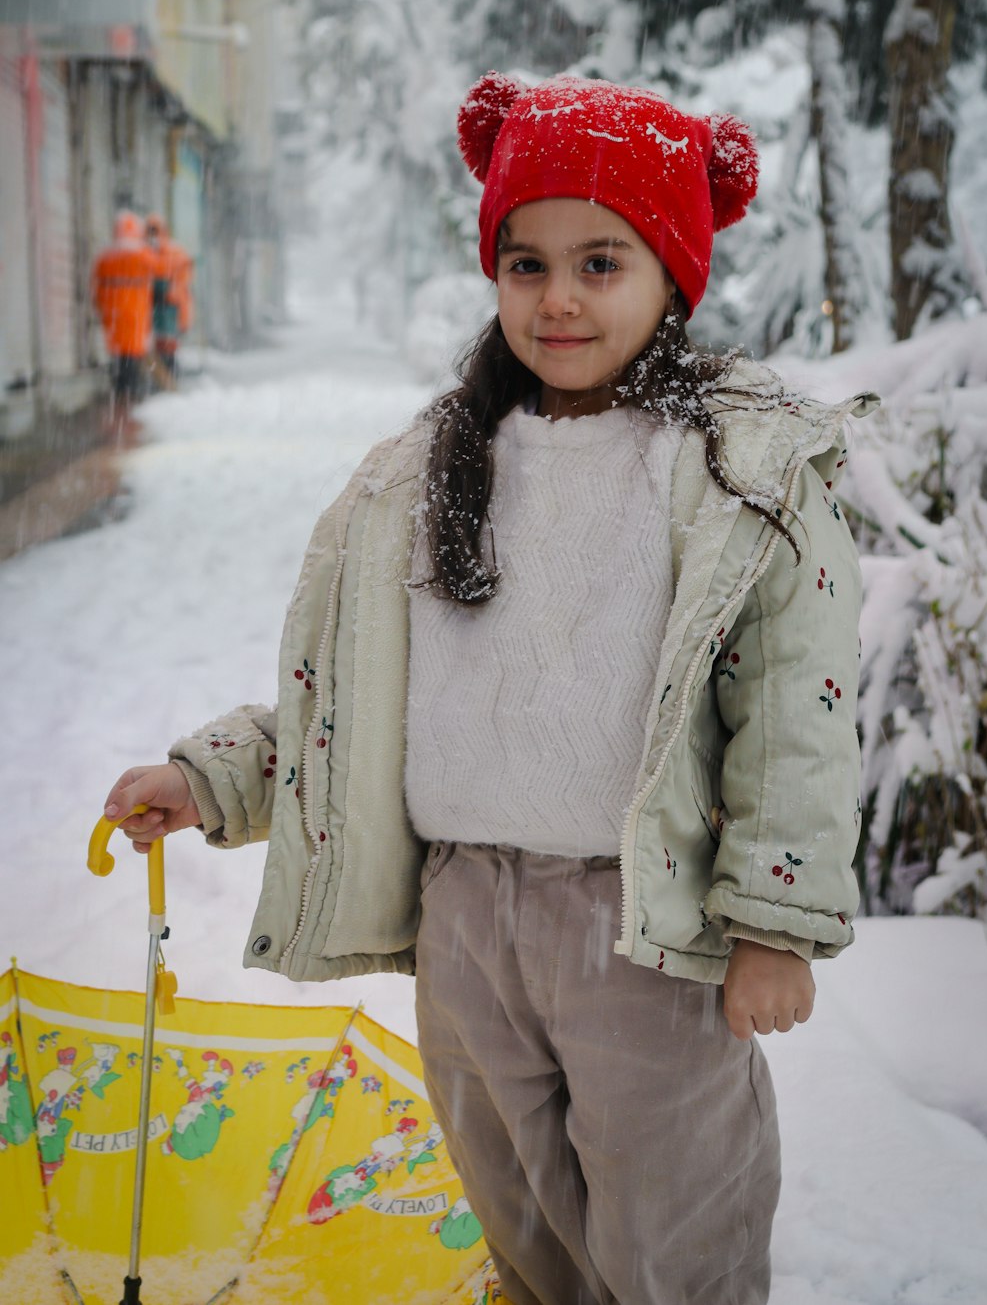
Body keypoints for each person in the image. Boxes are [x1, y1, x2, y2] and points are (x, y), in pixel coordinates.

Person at [103, 72, 875, 1305]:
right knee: (519, 1221)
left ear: (672, 273)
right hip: (466, 919)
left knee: (668, 1222)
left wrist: (776, 920)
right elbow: (352, 698)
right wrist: (213, 779)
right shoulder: (431, 467)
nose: (557, 297)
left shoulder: (736, 471)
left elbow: (794, 713)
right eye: (525, 263)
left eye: (599, 262)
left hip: (644, 923)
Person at [91, 210, 155, 412]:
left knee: (118, 356)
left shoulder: (105, 257)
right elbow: (162, 269)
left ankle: (120, 394)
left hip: (113, 315)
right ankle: (132, 396)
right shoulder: (143, 255)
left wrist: (102, 306)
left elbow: (96, 287)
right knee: (133, 355)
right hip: (136, 312)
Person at [146, 214, 193, 386]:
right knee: (160, 346)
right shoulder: (149, 253)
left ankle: (170, 380)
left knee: (168, 346)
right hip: (159, 307)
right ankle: (165, 381)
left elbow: (182, 282)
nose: (152, 237)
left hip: (169, 308)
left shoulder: (174, 253)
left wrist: (167, 292)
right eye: (150, 232)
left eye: (155, 231)